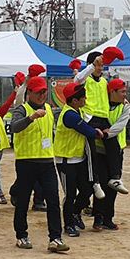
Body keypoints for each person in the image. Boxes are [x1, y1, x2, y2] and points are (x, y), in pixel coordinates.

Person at [10, 76, 69, 253]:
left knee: (53, 200)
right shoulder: (21, 109)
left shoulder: (49, 109)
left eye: (44, 92)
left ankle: (55, 238)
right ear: (29, 93)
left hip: (47, 161)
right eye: (39, 92)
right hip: (26, 162)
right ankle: (21, 235)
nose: (42, 95)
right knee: (23, 201)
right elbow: (14, 127)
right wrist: (31, 117)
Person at [74, 50, 128, 194]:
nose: (100, 68)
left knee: (113, 145)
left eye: (102, 65)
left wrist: (123, 99)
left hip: (103, 118)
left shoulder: (104, 81)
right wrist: (92, 66)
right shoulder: (86, 79)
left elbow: (113, 94)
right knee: (91, 151)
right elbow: (77, 80)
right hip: (89, 118)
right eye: (98, 65)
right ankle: (95, 182)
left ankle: (115, 178)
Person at [54, 82, 99, 237]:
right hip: (65, 161)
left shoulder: (76, 111)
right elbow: (88, 131)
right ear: (74, 101)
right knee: (70, 194)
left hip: (77, 159)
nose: (85, 99)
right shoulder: (69, 115)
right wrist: (99, 132)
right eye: (83, 97)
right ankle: (68, 224)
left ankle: (75, 213)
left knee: (87, 190)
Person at [93, 78, 130, 230]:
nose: (125, 95)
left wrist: (107, 134)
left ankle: (108, 218)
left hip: (117, 150)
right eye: (122, 92)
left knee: (113, 185)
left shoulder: (125, 107)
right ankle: (98, 217)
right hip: (99, 150)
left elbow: (121, 125)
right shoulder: (101, 104)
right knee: (100, 184)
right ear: (112, 92)